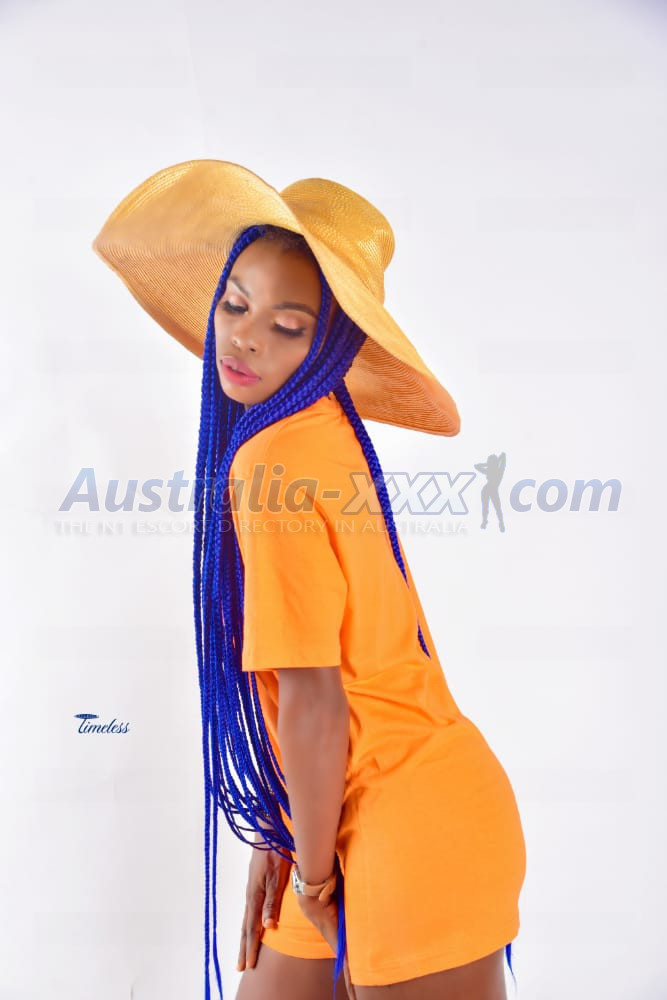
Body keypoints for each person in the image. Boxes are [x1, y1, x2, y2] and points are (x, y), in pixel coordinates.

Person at [92, 160, 527, 1000]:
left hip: (404, 830)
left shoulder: (272, 461)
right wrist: (281, 834)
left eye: (288, 325)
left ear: (328, 343)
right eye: (235, 305)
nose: (246, 337)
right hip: (340, 819)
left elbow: (318, 699)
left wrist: (313, 877)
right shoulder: (321, 429)